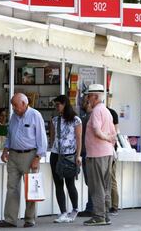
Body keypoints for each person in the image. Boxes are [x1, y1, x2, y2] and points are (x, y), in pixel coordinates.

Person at [0, 93, 47, 228]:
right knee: (12, 187)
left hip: (29, 155)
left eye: (16, 105)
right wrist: (5, 149)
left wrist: (38, 157)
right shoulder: (14, 116)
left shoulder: (35, 115)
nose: (13, 108)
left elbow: (42, 138)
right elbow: (10, 134)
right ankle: (10, 219)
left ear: (24, 104)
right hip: (13, 155)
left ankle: (29, 219)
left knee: (31, 188)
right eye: (13, 105)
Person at [83, 84, 116, 226]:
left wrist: (105, 137)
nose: (87, 99)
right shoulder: (106, 111)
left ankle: (98, 215)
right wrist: (109, 139)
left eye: (89, 96)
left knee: (96, 186)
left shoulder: (96, 111)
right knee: (105, 185)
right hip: (107, 153)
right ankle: (105, 213)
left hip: (97, 154)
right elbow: (114, 133)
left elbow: (96, 131)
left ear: (96, 96)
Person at [49, 95, 82, 223]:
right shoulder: (55, 120)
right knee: (58, 183)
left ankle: (74, 209)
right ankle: (63, 211)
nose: (57, 107)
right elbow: (52, 137)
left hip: (70, 155)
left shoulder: (76, 120)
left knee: (70, 183)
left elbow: (79, 139)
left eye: (58, 104)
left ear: (65, 104)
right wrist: (53, 147)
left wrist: (78, 155)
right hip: (56, 154)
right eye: (55, 105)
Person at [78, 94, 94, 217]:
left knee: (90, 181)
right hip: (88, 152)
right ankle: (92, 206)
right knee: (91, 181)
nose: (82, 103)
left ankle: (91, 207)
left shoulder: (87, 118)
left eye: (85, 101)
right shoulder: (87, 117)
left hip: (87, 152)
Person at [108, 107, 120, 216]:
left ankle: (114, 206)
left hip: (109, 150)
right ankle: (113, 206)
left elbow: (115, 133)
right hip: (111, 150)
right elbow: (116, 132)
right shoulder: (113, 112)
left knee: (111, 179)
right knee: (111, 179)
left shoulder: (111, 113)